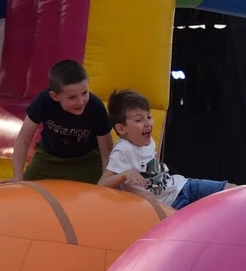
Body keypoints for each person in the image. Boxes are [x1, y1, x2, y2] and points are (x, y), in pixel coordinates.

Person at [98, 89, 236, 209]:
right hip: (171, 204)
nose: (147, 123)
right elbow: (101, 185)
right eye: (139, 120)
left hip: (183, 185)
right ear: (121, 128)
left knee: (233, 190)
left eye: (149, 117)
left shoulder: (147, 141)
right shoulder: (123, 150)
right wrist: (124, 175)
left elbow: (153, 172)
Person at [10, 59, 114, 184]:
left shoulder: (96, 107)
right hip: (48, 159)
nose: (81, 102)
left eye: (84, 93)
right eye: (72, 97)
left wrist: (105, 182)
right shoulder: (44, 101)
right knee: (25, 189)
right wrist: (18, 176)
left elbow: (106, 151)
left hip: (87, 160)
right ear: (55, 96)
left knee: (98, 191)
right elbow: (23, 140)